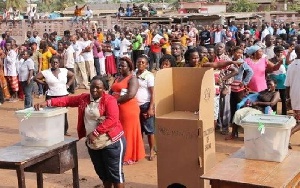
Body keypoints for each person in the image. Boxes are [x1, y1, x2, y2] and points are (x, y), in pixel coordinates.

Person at [34, 76, 126, 188]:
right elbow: (67, 100)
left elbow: (112, 119)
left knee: (115, 175)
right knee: (103, 174)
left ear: (104, 89)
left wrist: (96, 133)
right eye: (92, 87)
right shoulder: (84, 98)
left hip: (111, 143)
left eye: (98, 88)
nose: (94, 90)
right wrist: (48, 102)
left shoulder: (109, 100)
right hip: (94, 144)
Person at [110, 57, 145, 165]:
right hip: (117, 108)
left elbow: (131, 94)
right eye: (119, 65)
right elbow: (111, 90)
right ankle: (120, 153)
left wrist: (115, 102)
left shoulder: (132, 79)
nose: (120, 67)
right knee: (119, 131)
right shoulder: (118, 77)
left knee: (128, 132)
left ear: (129, 67)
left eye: (123, 66)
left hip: (128, 109)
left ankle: (128, 156)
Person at [34, 56, 75, 136]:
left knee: (63, 114)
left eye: (56, 62)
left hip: (63, 95)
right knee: (51, 113)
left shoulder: (64, 71)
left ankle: (64, 131)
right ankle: (52, 131)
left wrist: (67, 85)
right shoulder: (46, 72)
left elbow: (73, 76)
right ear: (50, 63)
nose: (55, 64)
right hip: (51, 95)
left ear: (59, 63)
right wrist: (45, 84)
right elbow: (35, 78)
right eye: (53, 62)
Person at [134, 55, 156, 160]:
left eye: (143, 62)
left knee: (149, 130)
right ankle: (140, 149)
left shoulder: (149, 76)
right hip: (134, 106)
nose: (140, 64)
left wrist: (151, 108)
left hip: (145, 105)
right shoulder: (133, 74)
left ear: (147, 65)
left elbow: (153, 93)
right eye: (139, 62)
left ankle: (152, 150)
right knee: (139, 130)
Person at [285, 44, 300, 148]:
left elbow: (287, 85)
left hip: (294, 95)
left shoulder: (291, 65)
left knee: (298, 120)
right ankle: (288, 134)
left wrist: (288, 98)